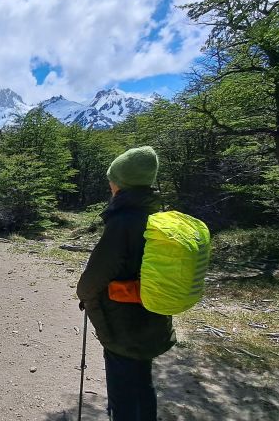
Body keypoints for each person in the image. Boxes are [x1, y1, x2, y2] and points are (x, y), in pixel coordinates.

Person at [76, 146, 175, 421]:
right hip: (151, 314)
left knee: (123, 393)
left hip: (124, 323)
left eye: (112, 179)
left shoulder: (123, 222)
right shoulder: (154, 215)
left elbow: (96, 275)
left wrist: (82, 293)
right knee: (141, 383)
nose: (110, 184)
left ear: (121, 183)